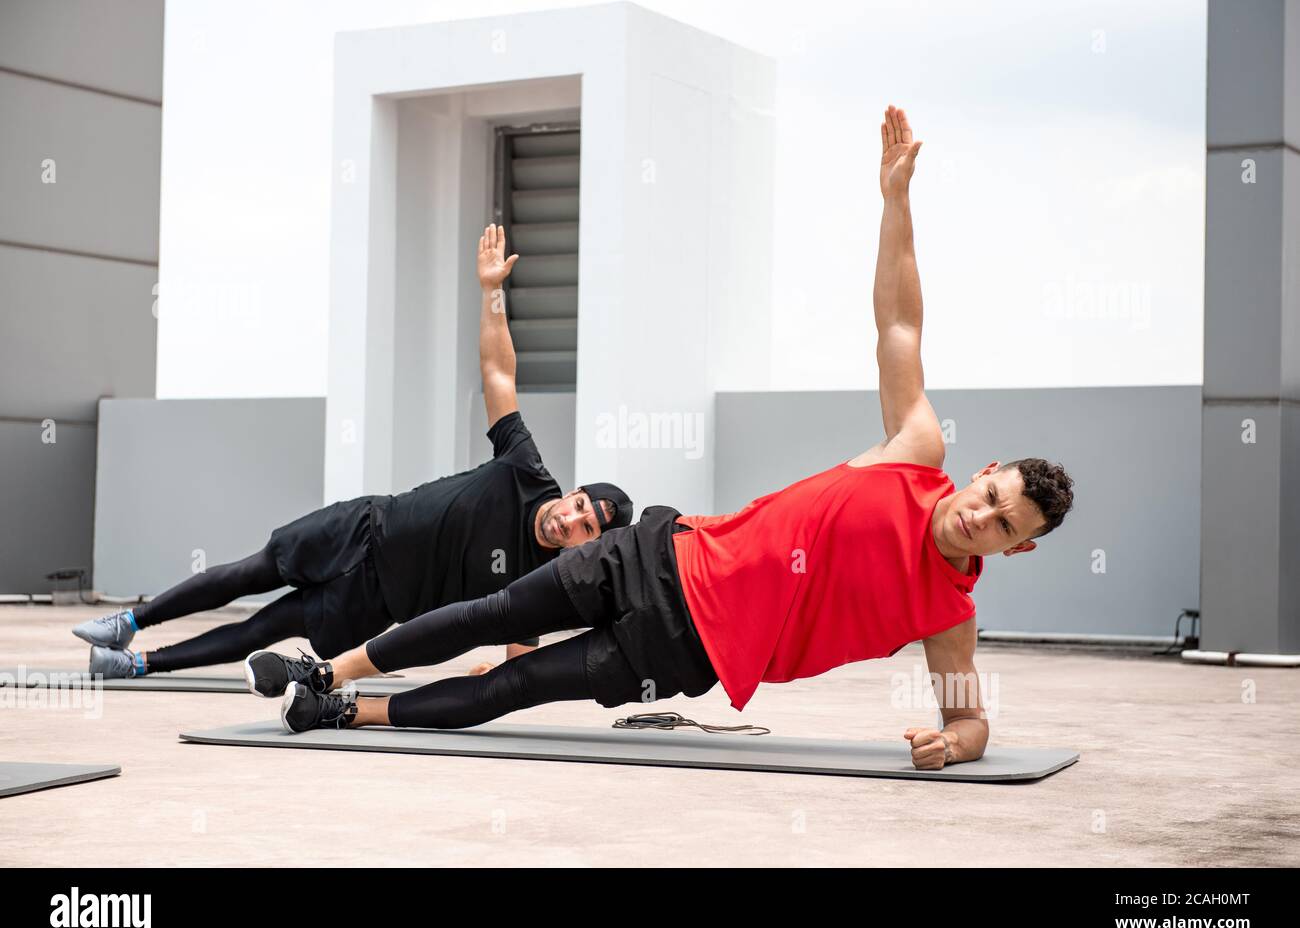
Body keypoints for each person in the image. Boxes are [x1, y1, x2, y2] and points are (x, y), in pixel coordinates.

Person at [252, 106, 1075, 771]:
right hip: (661, 554)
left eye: (1006, 527)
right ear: (986, 472)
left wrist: (956, 744)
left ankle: (339, 707)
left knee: (517, 685)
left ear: (1016, 551)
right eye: (993, 497)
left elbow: (969, 719)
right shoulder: (917, 449)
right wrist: (895, 202)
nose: (983, 517)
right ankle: (327, 668)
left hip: (685, 650)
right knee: (492, 611)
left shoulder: (950, 614)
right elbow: (898, 324)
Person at [75, 224, 633, 688]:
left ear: (590, 542)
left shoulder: (542, 577)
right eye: (580, 505)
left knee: (262, 628)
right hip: (362, 527)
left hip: (374, 601)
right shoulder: (525, 469)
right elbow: (498, 371)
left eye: (585, 528)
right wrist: (491, 290)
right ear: (575, 491)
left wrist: (488, 672)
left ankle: (139, 663)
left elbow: (520, 662)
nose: (570, 520)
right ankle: (130, 619)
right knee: (247, 572)